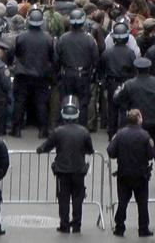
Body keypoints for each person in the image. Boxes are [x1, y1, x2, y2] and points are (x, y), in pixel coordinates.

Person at [37, 96, 95, 233]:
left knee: (63, 199)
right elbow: (90, 150)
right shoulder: (84, 131)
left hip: (62, 171)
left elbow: (46, 147)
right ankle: (76, 225)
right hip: (79, 170)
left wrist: (39, 150)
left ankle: (64, 225)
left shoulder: (58, 131)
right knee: (77, 198)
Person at [107, 109, 155, 237]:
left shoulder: (120, 134)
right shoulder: (145, 135)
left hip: (124, 174)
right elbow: (151, 155)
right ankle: (143, 229)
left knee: (122, 202)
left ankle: (119, 227)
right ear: (139, 119)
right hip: (141, 174)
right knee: (142, 203)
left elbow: (111, 152)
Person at [11, 9, 55, 137]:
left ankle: (17, 129)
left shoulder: (21, 37)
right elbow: (52, 57)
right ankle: (43, 130)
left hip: (23, 74)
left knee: (20, 102)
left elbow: (17, 53)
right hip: (41, 75)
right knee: (41, 102)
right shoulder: (48, 38)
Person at [56, 9, 100, 126]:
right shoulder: (89, 39)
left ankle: (64, 125)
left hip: (67, 74)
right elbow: (96, 59)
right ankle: (81, 127)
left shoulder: (63, 38)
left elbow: (57, 58)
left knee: (65, 100)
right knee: (83, 103)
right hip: (83, 75)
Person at [113, 56, 155, 146]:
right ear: (149, 69)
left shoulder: (129, 84)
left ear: (136, 69)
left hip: (136, 122)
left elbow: (117, 99)